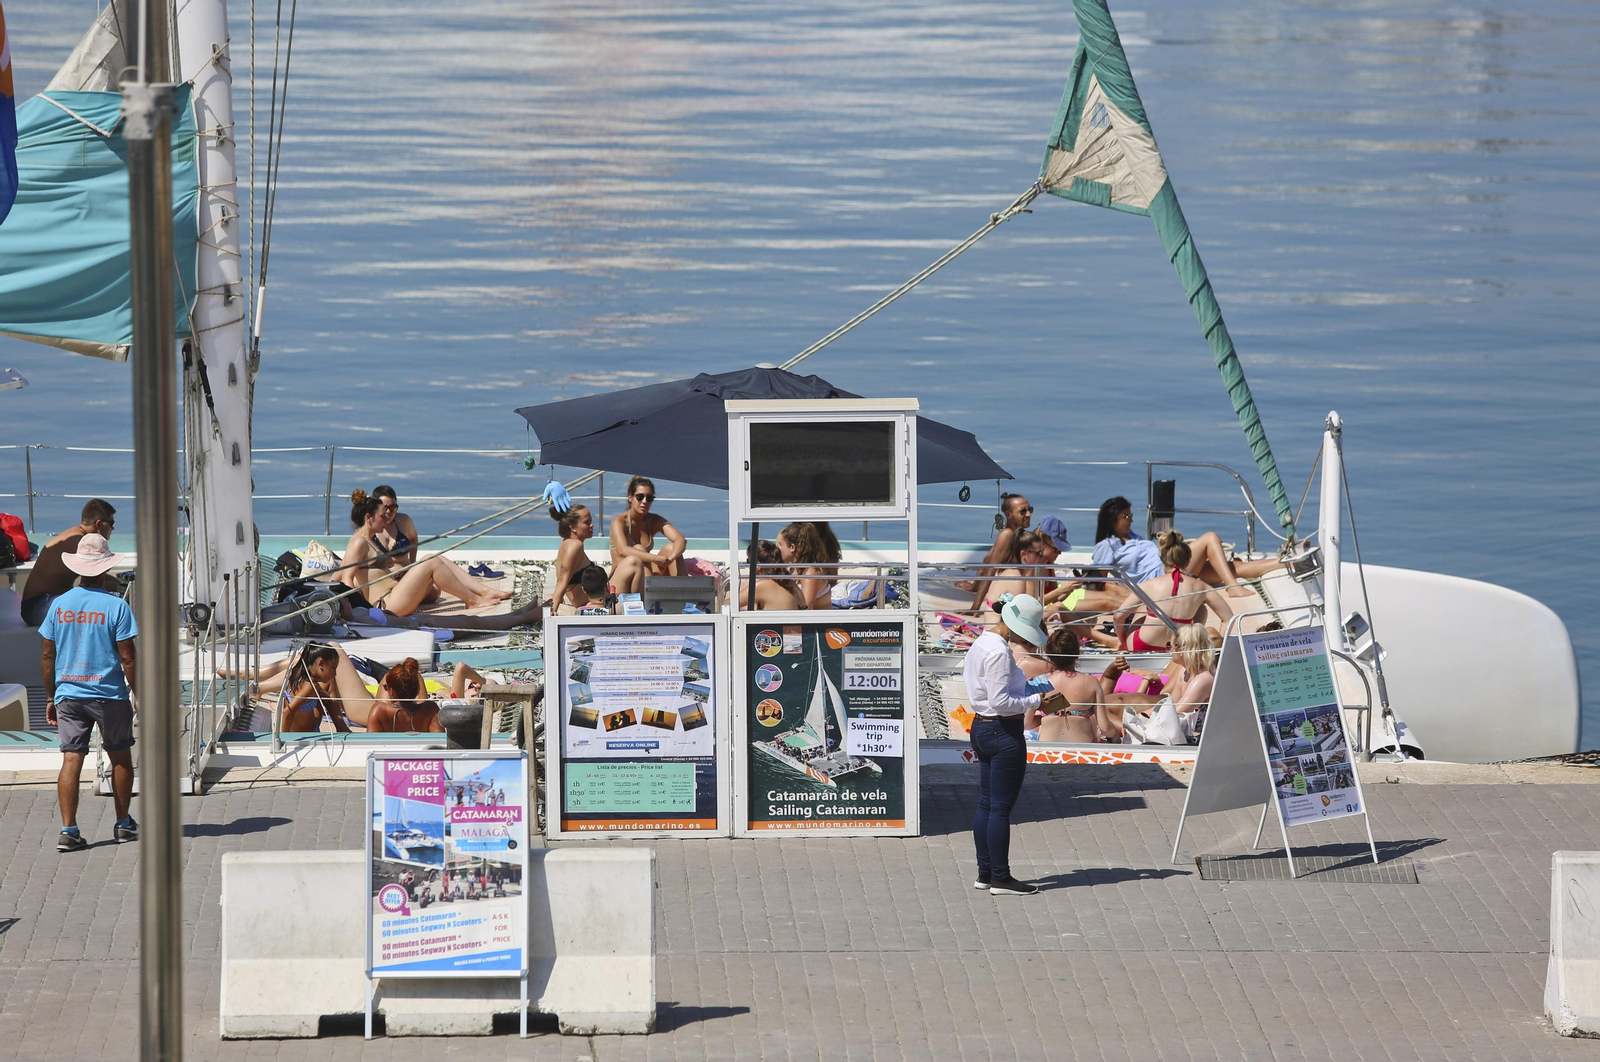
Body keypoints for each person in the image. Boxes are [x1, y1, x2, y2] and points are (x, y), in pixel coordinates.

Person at [39, 534, 138, 851]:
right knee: (119, 756)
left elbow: (47, 655)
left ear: (77, 568)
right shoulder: (117, 606)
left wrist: (51, 696)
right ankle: (123, 824)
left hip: (69, 694)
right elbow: (128, 658)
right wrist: (140, 695)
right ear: (105, 568)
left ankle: (68, 831)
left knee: (71, 758)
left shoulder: (59, 605)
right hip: (109, 695)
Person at [962, 592, 1063, 896]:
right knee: (999, 809)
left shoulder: (982, 642)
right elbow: (1002, 702)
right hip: (1002, 731)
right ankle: (1000, 877)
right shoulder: (999, 652)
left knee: (986, 804)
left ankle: (985, 872)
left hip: (982, 726)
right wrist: (1037, 701)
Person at [339, 490, 525, 618]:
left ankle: (480, 594)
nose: (385, 518)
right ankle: (473, 600)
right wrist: (358, 612)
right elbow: (346, 577)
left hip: (394, 593)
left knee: (434, 560)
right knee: (430, 561)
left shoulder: (369, 539)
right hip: (386, 603)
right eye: (381, 516)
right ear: (368, 518)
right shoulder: (358, 542)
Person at [1091, 495, 1281, 600]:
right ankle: (1232, 588)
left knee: (1234, 568)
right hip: (1163, 576)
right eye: (1126, 517)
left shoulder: (1132, 536)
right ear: (1112, 519)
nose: (1131, 520)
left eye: (1131, 516)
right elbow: (1098, 581)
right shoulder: (1106, 545)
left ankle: (1285, 563)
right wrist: (1128, 595)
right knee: (1210, 538)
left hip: (1172, 566)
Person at [1112, 531, 1234, 652]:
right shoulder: (1202, 587)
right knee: (1201, 608)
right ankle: (1191, 644)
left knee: (1143, 607)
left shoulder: (1149, 585)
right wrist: (1220, 646)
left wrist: (1122, 641)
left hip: (1143, 644)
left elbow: (1118, 616)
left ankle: (1121, 644)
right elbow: (1228, 618)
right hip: (1179, 646)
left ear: (1163, 560)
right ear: (1188, 561)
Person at [20, 499, 116, 628]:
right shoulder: (80, 543)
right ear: (99, 523)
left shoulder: (75, 534)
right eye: (111, 523)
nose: (112, 528)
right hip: (38, 605)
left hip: (38, 603)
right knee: (101, 611)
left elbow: (98, 578)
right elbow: (98, 580)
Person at [1026, 629, 1107, 744]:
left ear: (1049, 654)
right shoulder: (1091, 682)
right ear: (1077, 654)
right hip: (1082, 748)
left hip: (1046, 748)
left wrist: (1050, 715)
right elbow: (1104, 727)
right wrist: (1115, 738)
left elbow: (1026, 723)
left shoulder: (1040, 682)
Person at [608, 476, 687, 594]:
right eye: (640, 497)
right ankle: (649, 598)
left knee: (671, 548)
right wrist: (656, 559)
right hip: (622, 579)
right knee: (639, 549)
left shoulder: (653, 520)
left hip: (645, 576)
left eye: (649, 498)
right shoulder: (619, 521)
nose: (644, 501)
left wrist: (670, 559)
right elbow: (623, 550)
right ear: (630, 497)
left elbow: (680, 539)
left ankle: (684, 597)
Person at [964, 493, 1034, 604]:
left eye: (1030, 509)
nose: (1028, 514)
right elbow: (991, 569)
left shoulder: (1016, 533)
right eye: (1023, 511)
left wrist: (974, 587)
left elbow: (987, 559)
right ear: (1008, 514)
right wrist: (975, 607)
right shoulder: (1007, 534)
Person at [547, 504, 602, 612]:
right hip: (592, 603)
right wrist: (553, 610)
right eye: (587, 522)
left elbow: (562, 575)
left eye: (591, 521)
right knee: (632, 562)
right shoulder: (575, 545)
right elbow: (563, 579)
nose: (592, 525)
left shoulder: (566, 542)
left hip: (595, 599)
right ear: (573, 527)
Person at [366, 658, 444, 733]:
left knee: (390, 675)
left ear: (391, 691)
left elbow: (369, 740)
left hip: (390, 741)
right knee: (414, 675)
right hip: (421, 739)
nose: (385, 689)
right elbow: (440, 740)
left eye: (386, 687)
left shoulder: (379, 710)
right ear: (418, 690)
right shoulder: (431, 709)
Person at [776, 522, 834, 610]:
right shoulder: (793, 568)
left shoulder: (811, 572)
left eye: (781, 545)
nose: (778, 549)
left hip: (818, 618)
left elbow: (806, 607)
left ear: (792, 547)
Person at [743, 540, 802, 611]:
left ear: (758, 565)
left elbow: (732, 602)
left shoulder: (762, 585)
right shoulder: (791, 583)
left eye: (748, 561)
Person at [371, 485, 420, 568]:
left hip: (405, 572)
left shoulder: (404, 521)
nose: (389, 512)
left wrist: (412, 562)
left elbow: (413, 539)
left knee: (436, 560)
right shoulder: (368, 526)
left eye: (393, 508)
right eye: (385, 508)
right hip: (382, 574)